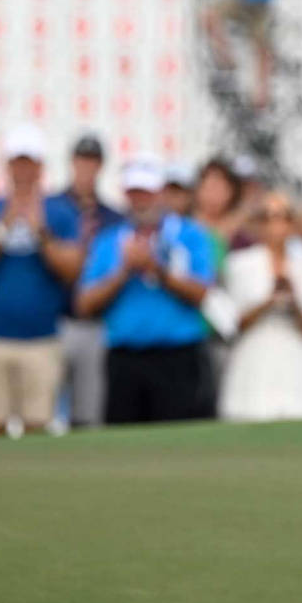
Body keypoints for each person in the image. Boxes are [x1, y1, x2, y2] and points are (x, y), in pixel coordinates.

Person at [0, 126, 84, 436]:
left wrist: (41, 233)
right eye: (17, 162)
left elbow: (71, 270)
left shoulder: (61, 213)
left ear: (41, 166)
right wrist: (3, 226)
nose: (24, 170)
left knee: (38, 428)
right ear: (7, 165)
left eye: (30, 162)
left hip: (41, 339)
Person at [75, 158, 217, 424]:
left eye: (147, 193)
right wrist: (124, 271)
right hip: (125, 360)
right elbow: (85, 304)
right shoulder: (109, 241)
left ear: (160, 194)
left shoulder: (189, 235)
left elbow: (201, 294)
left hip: (178, 358)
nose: (140, 201)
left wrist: (157, 269)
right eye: (134, 193)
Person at [220, 192, 302, 421]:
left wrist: (294, 301)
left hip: (296, 352)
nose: (275, 225)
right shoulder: (239, 264)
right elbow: (235, 322)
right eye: (267, 217)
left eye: (283, 217)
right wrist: (268, 301)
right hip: (255, 352)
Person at [48, 132, 119, 430]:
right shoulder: (50, 208)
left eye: (93, 162)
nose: (86, 168)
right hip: (56, 319)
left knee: (88, 414)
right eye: (82, 161)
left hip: (95, 323)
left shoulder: (113, 217)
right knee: (46, 412)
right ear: (72, 163)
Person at [191, 158, 247, 269]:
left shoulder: (243, 232)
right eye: (208, 187)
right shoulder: (183, 227)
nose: (213, 195)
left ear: (232, 191)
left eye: (219, 188)